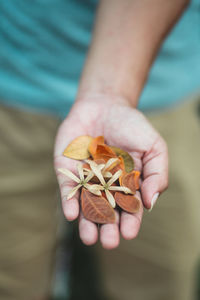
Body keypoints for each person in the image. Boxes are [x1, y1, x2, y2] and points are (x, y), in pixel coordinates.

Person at [0, 0, 199, 299]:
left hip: (158, 88)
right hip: (15, 78)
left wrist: (111, 93)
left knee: (156, 275)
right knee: (10, 272)